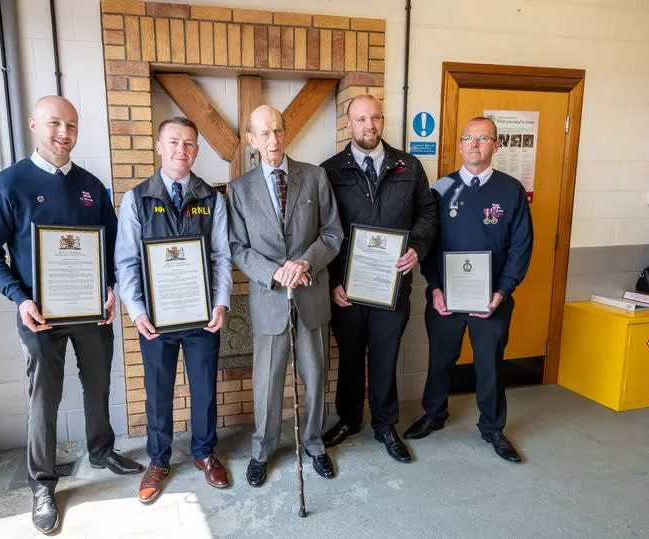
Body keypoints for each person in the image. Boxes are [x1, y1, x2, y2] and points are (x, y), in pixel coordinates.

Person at [0, 96, 142, 535]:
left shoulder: (91, 185)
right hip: (39, 315)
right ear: (33, 124)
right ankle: (43, 484)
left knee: (98, 384)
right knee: (44, 399)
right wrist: (19, 298)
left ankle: (101, 449)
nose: (63, 133)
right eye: (54, 123)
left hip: (91, 311)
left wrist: (111, 288)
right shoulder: (9, 184)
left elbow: (112, 246)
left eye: (71, 124)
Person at [114, 117, 232, 504]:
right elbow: (127, 261)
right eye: (174, 142)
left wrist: (221, 302)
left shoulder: (212, 199)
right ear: (159, 147)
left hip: (201, 317)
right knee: (158, 392)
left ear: (196, 150)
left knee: (204, 390)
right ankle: (159, 460)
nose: (182, 149)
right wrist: (136, 310)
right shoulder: (136, 198)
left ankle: (203, 452)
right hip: (156, 320)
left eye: (189, 144)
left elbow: (221, 257)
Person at [403, 116, 534, 463]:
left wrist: (502, 291)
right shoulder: (440, 190)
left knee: (489, 364)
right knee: (441, 359)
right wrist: (434, 288)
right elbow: (426, 243)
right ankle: (434, 414)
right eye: (468, 138)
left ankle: (492, 428)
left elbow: (522, 245)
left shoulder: (511, 191)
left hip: (491, 299)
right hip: (445, 297)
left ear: (496, 145)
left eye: (483, 138)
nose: (475, 144)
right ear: (460, 145)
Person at [227, 105, 343, 486]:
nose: (273, 140)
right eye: (264, 133)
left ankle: (313, 442)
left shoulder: (314, 176)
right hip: (269, 298)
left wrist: (305, 263)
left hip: (311, 297)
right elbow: (238, 247)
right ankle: (263, 448)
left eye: (278, 130)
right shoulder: (239, 190)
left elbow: (332, 234)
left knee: (315, 374)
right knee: (268, 381)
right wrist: (274, 272)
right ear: (251, 140)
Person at [320, 94, 438, 462]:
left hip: (392, 286)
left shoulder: (409, 166)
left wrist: (417, 248)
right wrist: (332, 282)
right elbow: (322, 229)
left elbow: (428, 214)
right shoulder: (329, 171)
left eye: (374, 118)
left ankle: (386, 425)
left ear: (382, 121)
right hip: (348, 289)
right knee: (351, 356)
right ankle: (349, 419)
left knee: (386, 356)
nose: (369, 126)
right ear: (348, 124)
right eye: (360, 119)